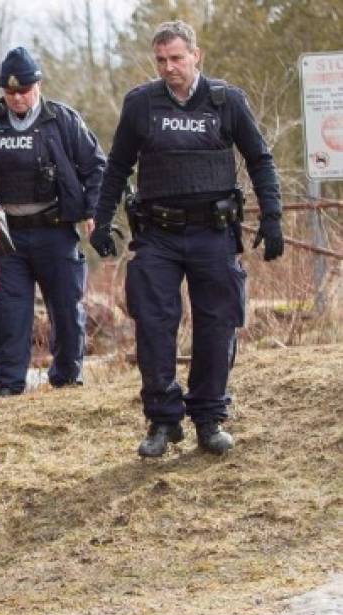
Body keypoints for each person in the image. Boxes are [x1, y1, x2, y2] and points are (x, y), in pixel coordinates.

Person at [89, 20, 283, 458]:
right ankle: (162, 420)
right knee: (154, 324)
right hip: (158, 235)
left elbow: (260, 159)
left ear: (197, 56)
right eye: (161, 60)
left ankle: (209, 418)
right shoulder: (141, 104)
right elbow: (116, 166)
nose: (169, 67)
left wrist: (272, 218)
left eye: (177, 58)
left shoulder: (225, 101)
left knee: (217, 324)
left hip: (212, 234)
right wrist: (101, 222)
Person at [0, 47, 106, 397]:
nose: (17, 98)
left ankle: (66, 378)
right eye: (10, 91)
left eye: (24, 90)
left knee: (65, 308)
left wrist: (94, 212)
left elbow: (96, 167)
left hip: (56, 231)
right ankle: (7, 386)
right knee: (10, 314)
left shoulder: (61, 120)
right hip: (8, 239)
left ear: (39, 84)